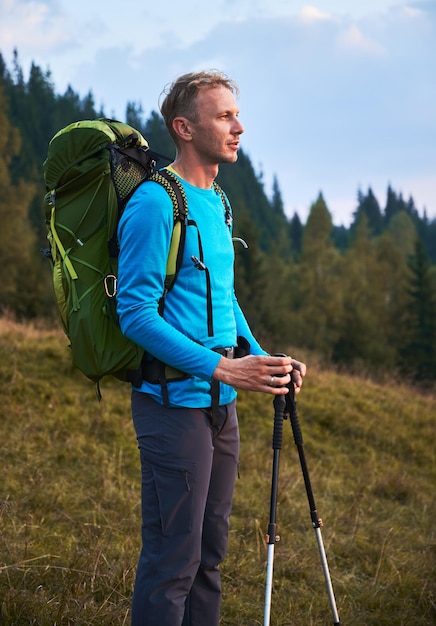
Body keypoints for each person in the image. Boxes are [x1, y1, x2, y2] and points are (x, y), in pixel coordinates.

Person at [116, 69, 306, 626]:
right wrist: (225, 368)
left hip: (220, 406)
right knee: (174, 557)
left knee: (210, 557)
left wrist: (263, 358)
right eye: (223, 116)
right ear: (184, 127)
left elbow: (220, 294)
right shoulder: (156, 203)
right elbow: (135, 314)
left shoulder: (218, 201)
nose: (239, 127)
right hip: (171, 403)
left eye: (236, 114)